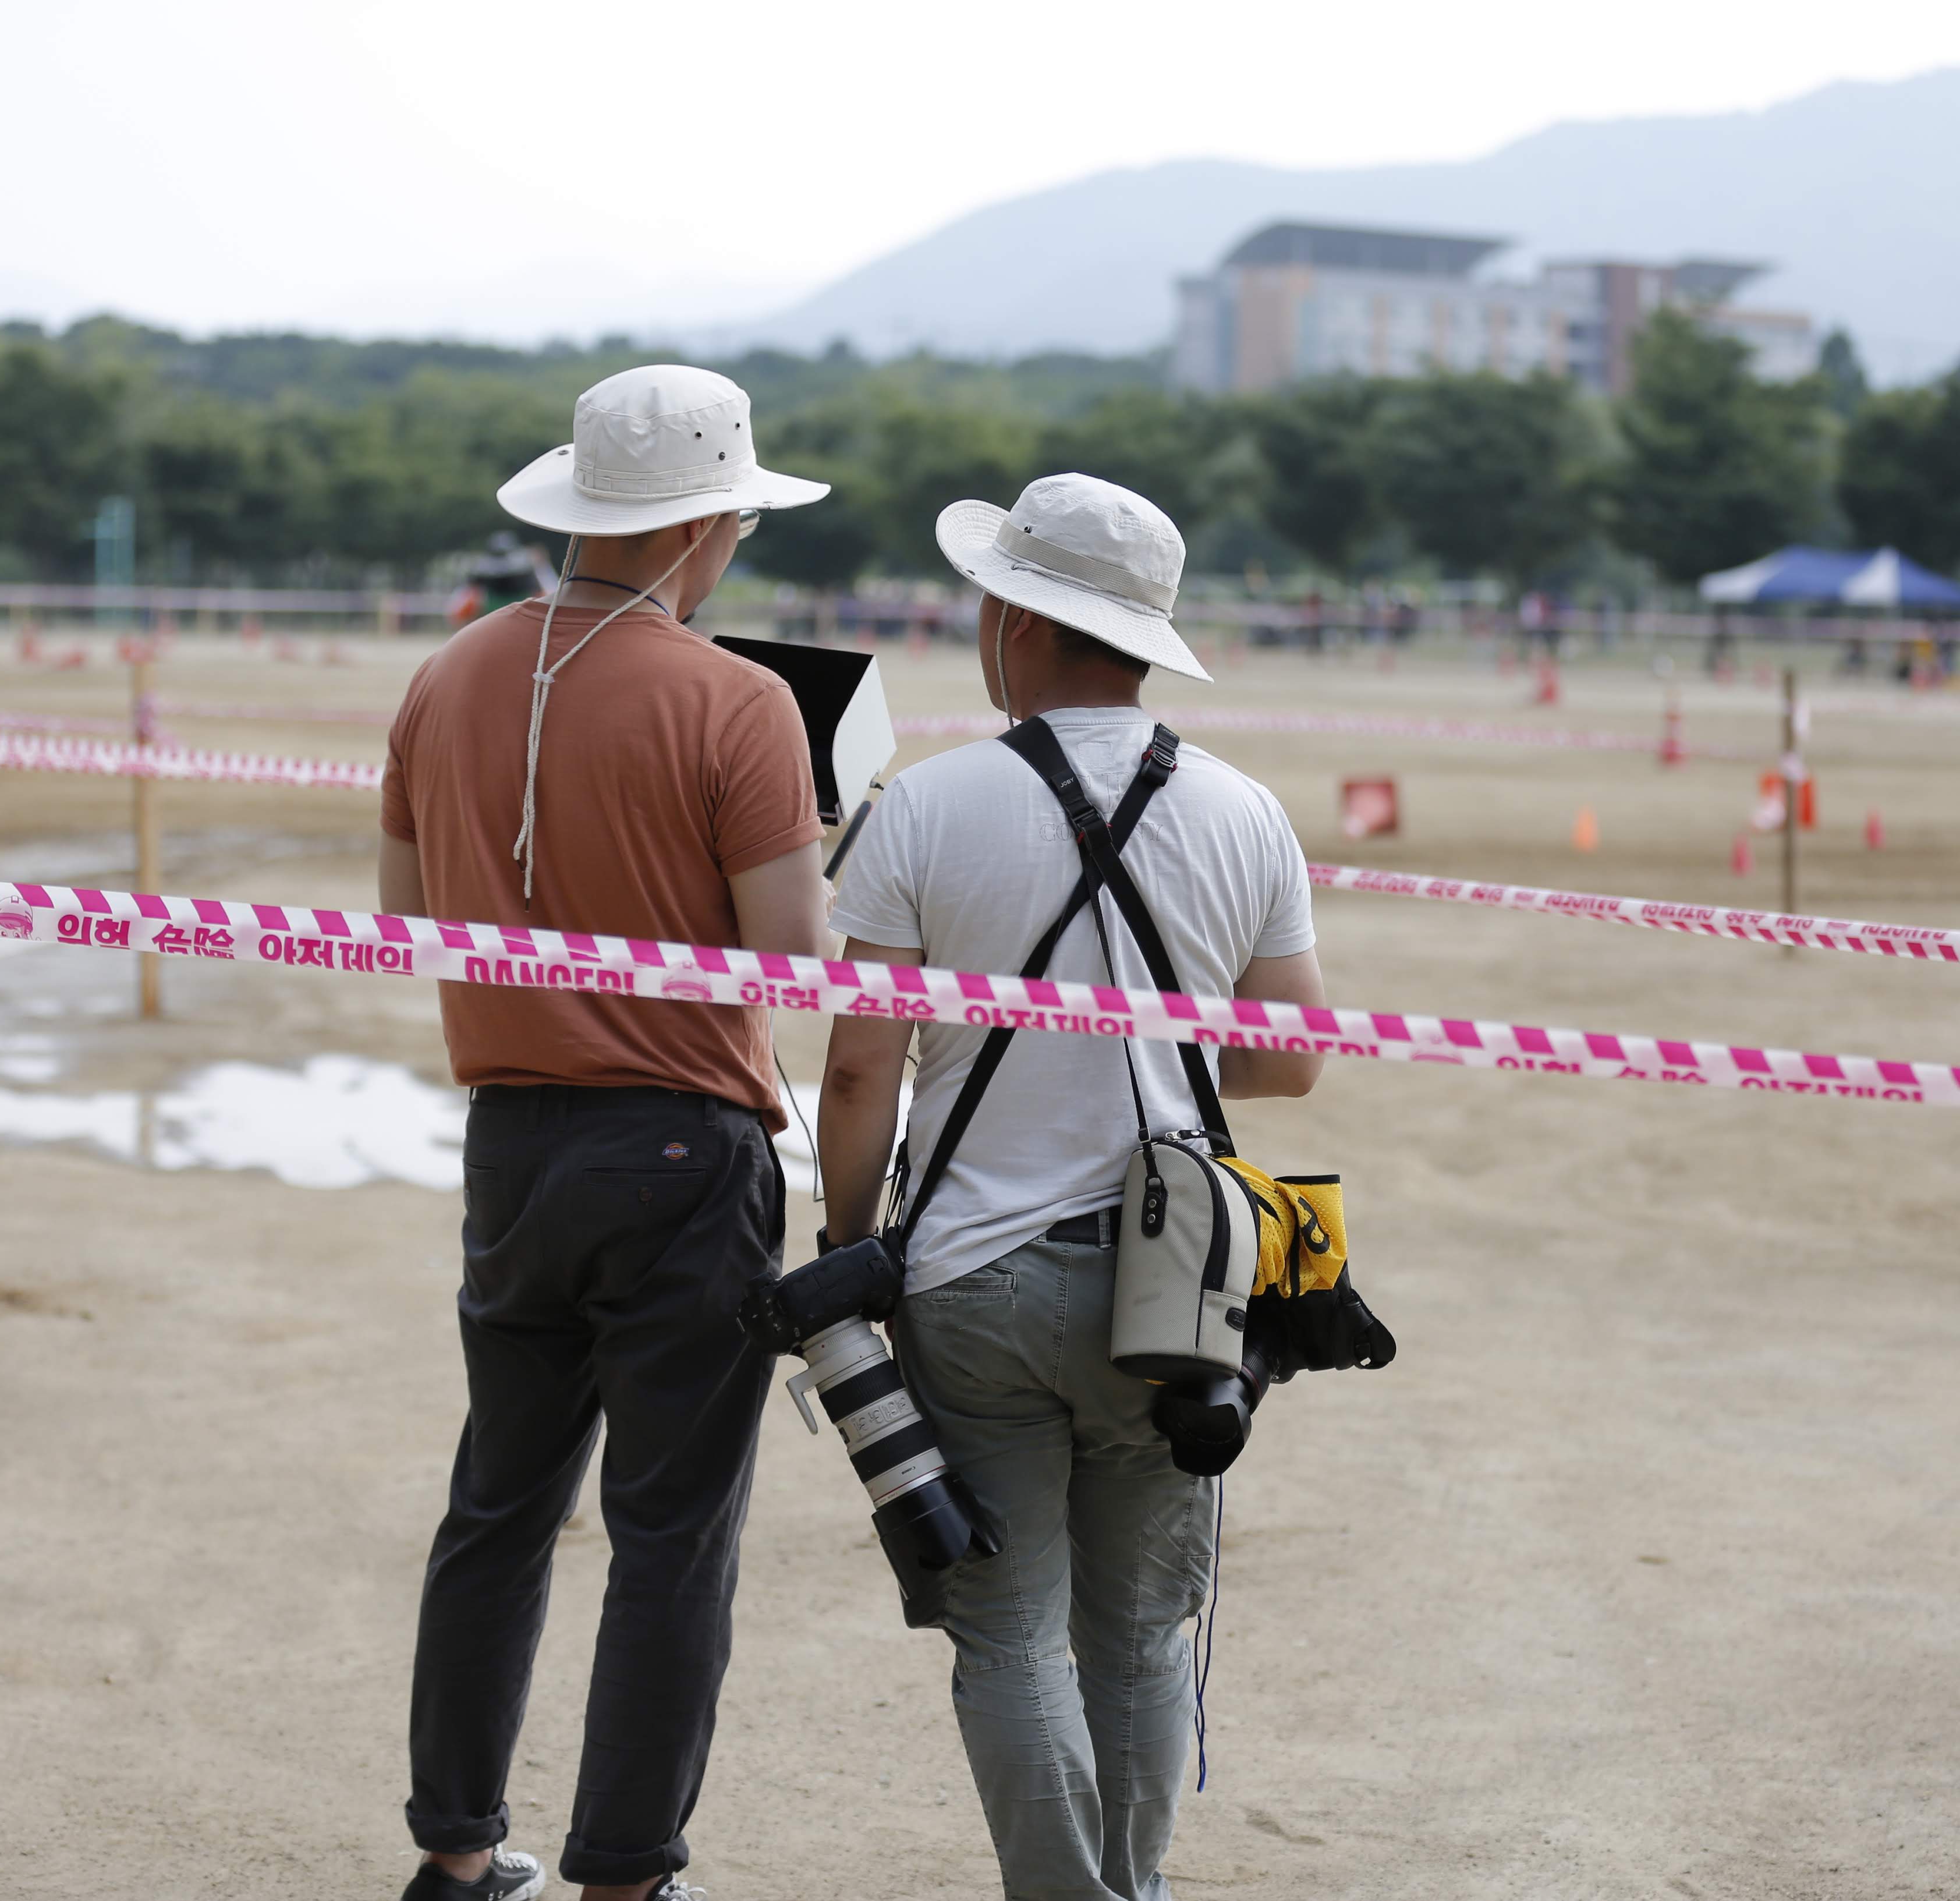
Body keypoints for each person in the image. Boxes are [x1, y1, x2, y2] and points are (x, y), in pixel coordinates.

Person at [816, 473, 1331, 1901]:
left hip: (973, 1277)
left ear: (1011, 618)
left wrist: (848, 1253)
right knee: (1141, 1634)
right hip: (1179, 1284)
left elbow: (861, 1073)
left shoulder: (923, 807)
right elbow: (1289, 1059)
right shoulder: (1243, 810)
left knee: (1005, 1633)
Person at [379, 364, 833, 1901]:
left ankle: (454, 1849)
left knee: (498, 1504)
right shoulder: (740, 700)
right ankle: (626, 1874)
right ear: (706, 525)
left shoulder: (442, 677)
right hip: (681, 1143)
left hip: (510, 1136)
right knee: (669, 1531)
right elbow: (789, 959)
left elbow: (404, 915)